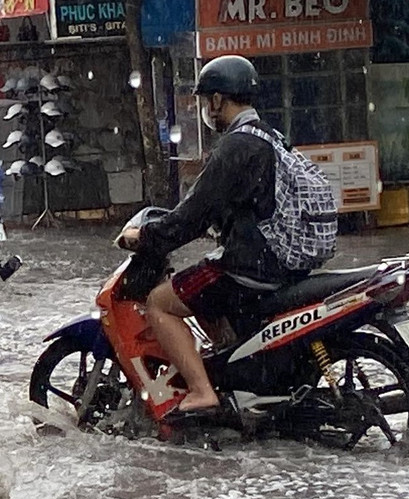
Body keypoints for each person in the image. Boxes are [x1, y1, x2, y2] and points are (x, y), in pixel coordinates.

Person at [117, 54, 307, 418]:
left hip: (251, 267)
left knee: (160, 302)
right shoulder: (271, 137)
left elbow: (191, 215)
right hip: (282, 263)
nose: (206, 109)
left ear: (218, 100)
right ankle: (230, 368)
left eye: (206, 101)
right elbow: (251, 205)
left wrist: (146, 237)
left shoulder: (236, 146)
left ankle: (203, 391)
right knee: (202, 285)